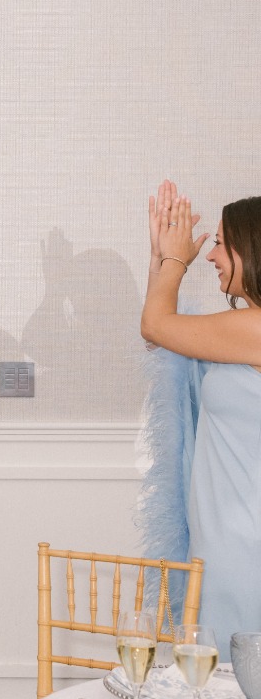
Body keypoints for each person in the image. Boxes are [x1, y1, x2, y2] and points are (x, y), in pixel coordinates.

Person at [141, 180, 261, 656]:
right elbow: (159, 337)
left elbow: (155, 325)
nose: (211, 255)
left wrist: (175, 262)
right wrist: (160, 259)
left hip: (243, 538)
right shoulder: (242, 328)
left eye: (220, 244)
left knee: (231, 679)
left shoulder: (253, 328)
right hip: (228, 530)